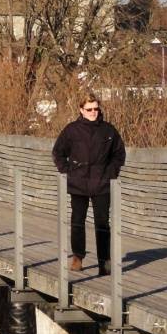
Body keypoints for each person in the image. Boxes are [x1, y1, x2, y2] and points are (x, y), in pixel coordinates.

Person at [51, 92, 126, 275]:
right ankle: (78, 256)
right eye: (89, 109)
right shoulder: (72, 130)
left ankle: (104, 261)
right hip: (78, 182)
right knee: (78, 221)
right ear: (81, 110)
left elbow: (119, 154)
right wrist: (67, 170)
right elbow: (58, 152)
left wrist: (111, 172)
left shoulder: (109, 130)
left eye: (96, 109)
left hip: (102, 183)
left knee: (102, 223)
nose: (93, 112)